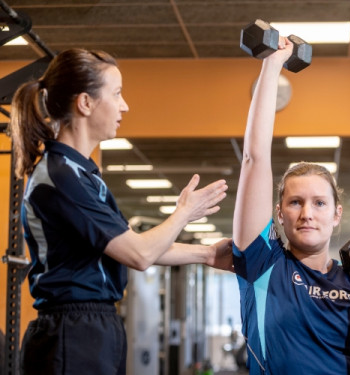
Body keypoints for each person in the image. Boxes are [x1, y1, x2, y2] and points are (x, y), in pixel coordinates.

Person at [9, 48, 231, 375]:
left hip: (91, 328)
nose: (124, 105)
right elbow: (139, 255)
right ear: (85, 103)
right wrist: (183, 213)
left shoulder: (80, 175)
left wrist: (208, 254)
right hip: (72, 333)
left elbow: (133, 246)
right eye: (116, 94)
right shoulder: (62, 178)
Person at [232, 36, 350, 375]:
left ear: (337, 214)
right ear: (279, 214)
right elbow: (254, 158)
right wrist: (272, 63)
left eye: (319, 203)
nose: (307, 213)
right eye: (295, 202)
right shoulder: (263, 263)